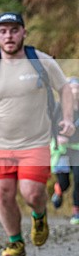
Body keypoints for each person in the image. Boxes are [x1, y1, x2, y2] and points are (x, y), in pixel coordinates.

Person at [0, 12, 75, 256]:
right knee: (3, 193)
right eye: (3, 31)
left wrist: (66, 118)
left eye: (14, 30)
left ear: (24, 32)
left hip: (36, 142)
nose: (9, 36)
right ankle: (15, 242)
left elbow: (64, 88)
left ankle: (39, 214)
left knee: (32, 193)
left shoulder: (41, 61)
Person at [50, 76, 79, 224]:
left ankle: (76, 212)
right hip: (62, 149)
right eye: (72, 89)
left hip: (77, 150)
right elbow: (49, 126)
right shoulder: (58, 108)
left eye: (77, 89)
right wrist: (57, 138)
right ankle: (58, 190)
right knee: (65, 183)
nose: (74, 92)